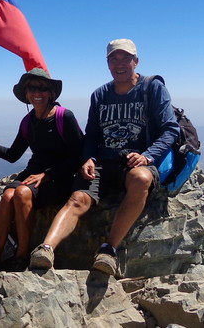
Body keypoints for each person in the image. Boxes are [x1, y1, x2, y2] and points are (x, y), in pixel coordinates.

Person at [29, 39, 179, 276]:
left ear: (135, 61)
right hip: (102, 162)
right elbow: (92, 134)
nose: (119, 64)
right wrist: (88, 158)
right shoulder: (100, 95)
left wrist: (148, 157)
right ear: (108, 63)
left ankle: (108, 251)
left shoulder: (152, 88)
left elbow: (171, 129)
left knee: (140, 179)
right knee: (78, 198)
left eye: (125, 58)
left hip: (134, 162)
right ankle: (45, 249)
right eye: (113, 59)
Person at [0, 68, 83, 271]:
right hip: (33, 175)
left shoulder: (63, 117)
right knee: (6, 197)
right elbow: (13, 155)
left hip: (59, 177)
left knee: (21, 193)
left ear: (50, 93)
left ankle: (22, 256)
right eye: (31, 88)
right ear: (26, 94)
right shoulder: (28, 121)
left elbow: (78, 156)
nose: (36, 92)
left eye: (42, 88)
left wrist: (48, 175)